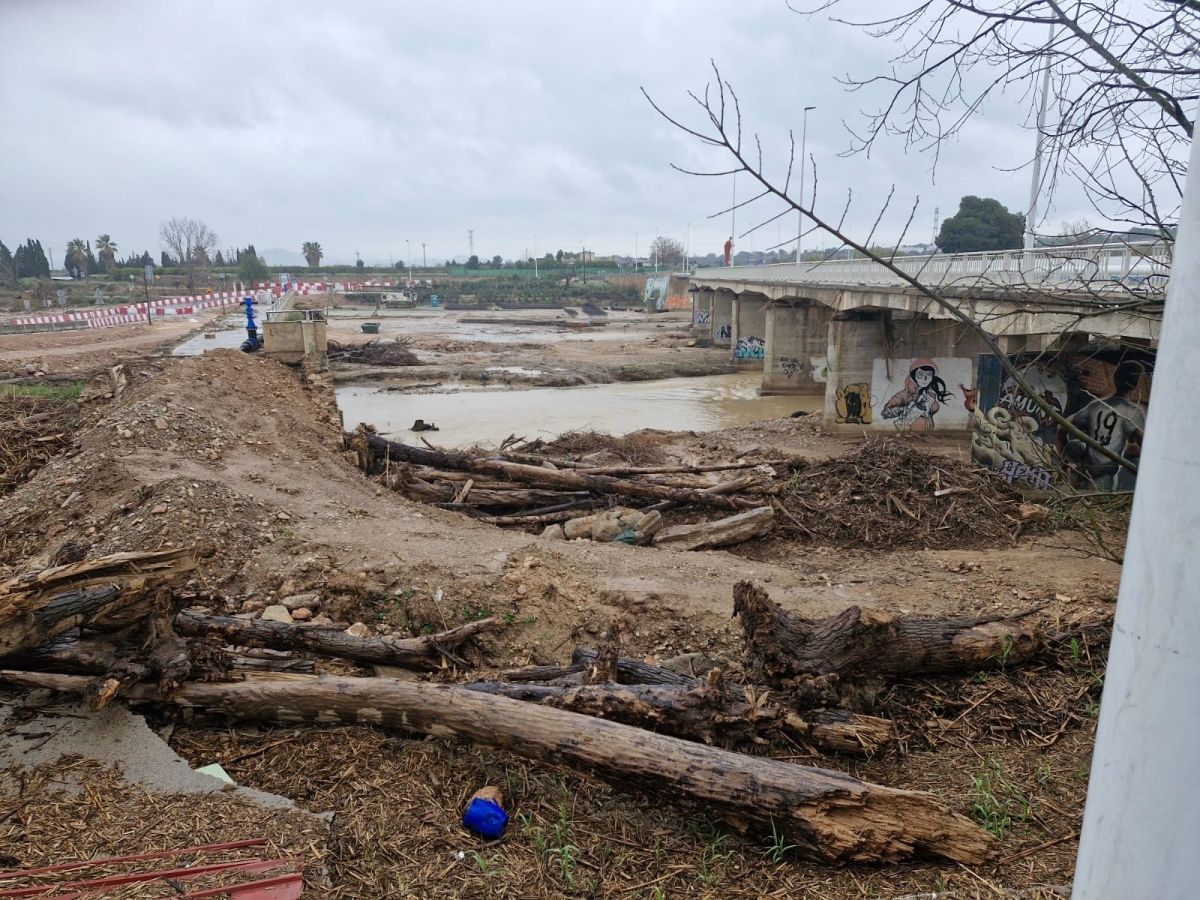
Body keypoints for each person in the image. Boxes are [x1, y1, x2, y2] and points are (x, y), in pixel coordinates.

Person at [1060, 360, 1147, 490]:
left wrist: (1063, 463)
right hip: (1104, 477)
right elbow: (1144, 444)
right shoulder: (1132, 411)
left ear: (1115, 379)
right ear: (1134, 385)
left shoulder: (1095, 406)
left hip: (1081, 473)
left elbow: (1061, 428)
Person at [881, 359, 954, 431]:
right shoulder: (904, 394)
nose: (925, 378)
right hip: (910, 435)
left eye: (928, 374)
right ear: (913, 375)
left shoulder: (930, 395)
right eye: (920, 374)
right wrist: (904, 409)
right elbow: (886, 411)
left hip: (927, 437)